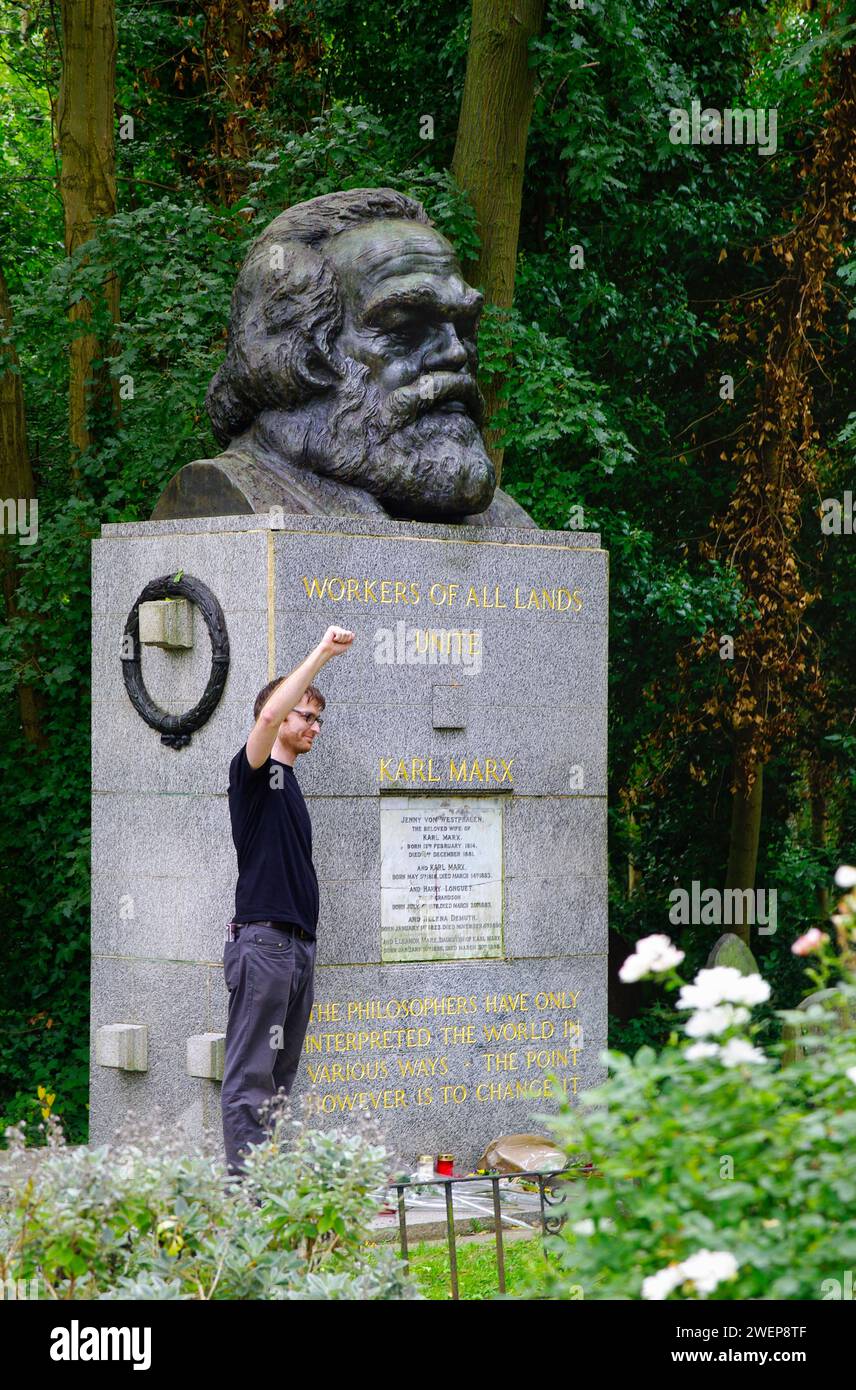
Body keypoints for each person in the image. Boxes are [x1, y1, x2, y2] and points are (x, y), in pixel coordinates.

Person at [221, 624, 355, 1175]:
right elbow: (267, 720)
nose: (314, 726)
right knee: (251, 1080)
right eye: (307, 715)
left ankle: (268, 1192)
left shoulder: (291, 784)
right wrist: (321, 653)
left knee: (278, 1083)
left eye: (319, 718)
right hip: (265, 946)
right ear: (278, 716)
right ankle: (245, 1205)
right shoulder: (252, 772)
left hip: (297, 952)